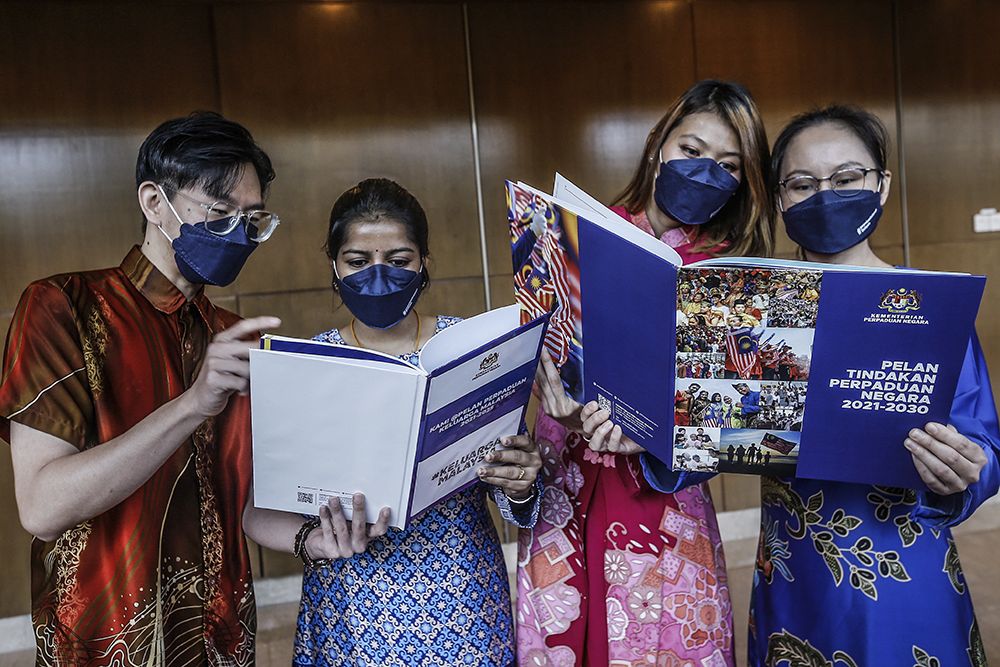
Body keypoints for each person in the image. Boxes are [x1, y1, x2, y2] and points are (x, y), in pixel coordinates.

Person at [0, 112, 281, 663]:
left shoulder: (229, 335)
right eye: (220, 214)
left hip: (222, 636)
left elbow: (246, 497)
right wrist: (193, 405)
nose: (238, 235)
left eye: (253, 221)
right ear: (155, 204)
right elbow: (41, 506)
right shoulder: (64, 308)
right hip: (106, 636)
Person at [518, 79, 774, 666]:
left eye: (728, 165)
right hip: (567, 487)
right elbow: (544, 339)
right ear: (659, 143)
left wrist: (661, 431)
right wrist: (550, 386)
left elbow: (738, 426)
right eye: (692, 150)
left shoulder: (733, 278)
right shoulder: (580, 234)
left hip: (662, 503)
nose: (706, 172)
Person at [242, 178, 542, 666]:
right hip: (350, 607)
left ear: (424, 263)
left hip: (462, 603)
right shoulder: (308, 363)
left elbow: (512, 490)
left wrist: (520, 484)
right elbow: (257, 510)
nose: (377, 276)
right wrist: (311, 541)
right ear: (334, 269)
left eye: (399, 261)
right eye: (357, 262)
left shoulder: (469, 349)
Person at [742, 105, 1000, 665]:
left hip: (905, 570)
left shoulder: (930, 307)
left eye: (847, 178)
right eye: (803, 183)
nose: (825, 195)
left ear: (881, 186)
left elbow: (985, 444)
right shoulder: (752, 311)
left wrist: (963, 471)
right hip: (792, 570)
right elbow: (705, 434)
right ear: (780, 198)